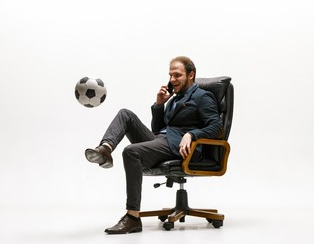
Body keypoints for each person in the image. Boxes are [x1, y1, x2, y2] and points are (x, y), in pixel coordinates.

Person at [85, 56, 223, 234]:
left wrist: (191, 134)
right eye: (170, 75)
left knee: (131, 152)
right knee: (125, 114)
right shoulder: (174, 98)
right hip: (163, 140)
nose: (172, 80)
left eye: (177, 75)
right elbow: (158, 129)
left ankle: (133, 217)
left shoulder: (202, 96)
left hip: (179, 147)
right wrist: (159, 104)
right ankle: (105, 149)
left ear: (191, 75)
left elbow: (216, 126)